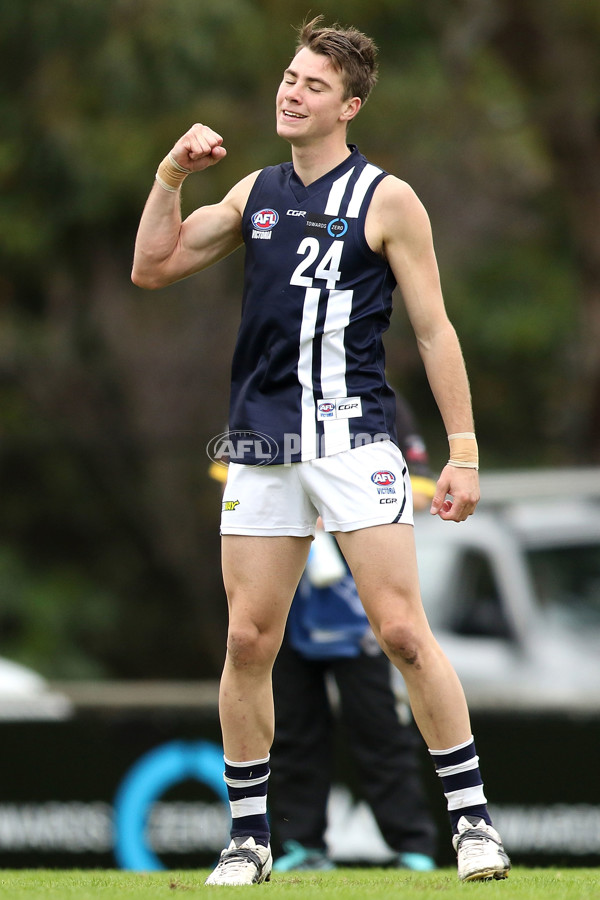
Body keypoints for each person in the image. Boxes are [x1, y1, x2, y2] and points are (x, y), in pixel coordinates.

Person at [131, 16, 511, 885]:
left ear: (351, 105)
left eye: (311, 85)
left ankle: (474, 824)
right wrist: (170, 176)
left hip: (355, 438)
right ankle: (250, 839)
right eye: (289, 77)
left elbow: (433, 328)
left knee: (404, 632)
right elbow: (152, 266)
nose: (290, 92)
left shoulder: (388, 199)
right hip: (262, 441)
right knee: (248, 640)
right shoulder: (254, 193)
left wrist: (464, 451)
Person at [269, 398, 438, 872]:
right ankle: (300, 847)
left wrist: (346, 512)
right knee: (293, 730)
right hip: (287, 604)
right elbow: (239, 488)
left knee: (380, 728)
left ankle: (413, 848)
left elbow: (421, 490)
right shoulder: (266, 397)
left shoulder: (385, 402)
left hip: (362, 605)